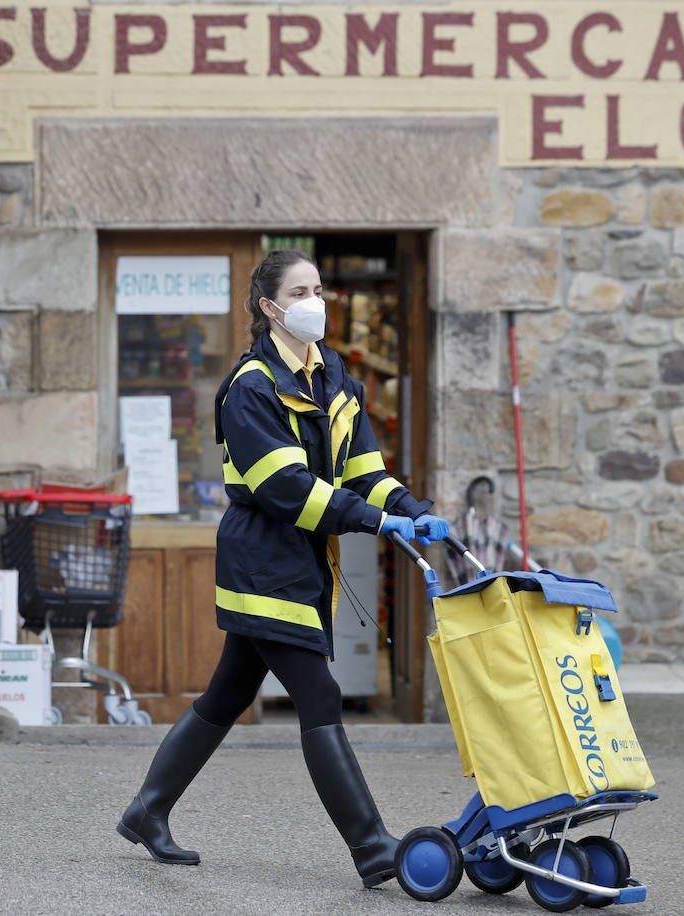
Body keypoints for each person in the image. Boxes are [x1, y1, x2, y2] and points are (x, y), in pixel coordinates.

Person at [117, 248, 450, 888]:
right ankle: (372, 847)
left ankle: (147, 810)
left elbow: (364, 472)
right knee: (319, 695)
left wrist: (411, 508)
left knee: (229, 692)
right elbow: (285, 488)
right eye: (300, 293)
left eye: (318, 289)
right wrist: (376, 522)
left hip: (301, 560)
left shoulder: (337, 378)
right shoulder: (251, 387)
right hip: (263, 560)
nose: (314, 302)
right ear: (270, 307)